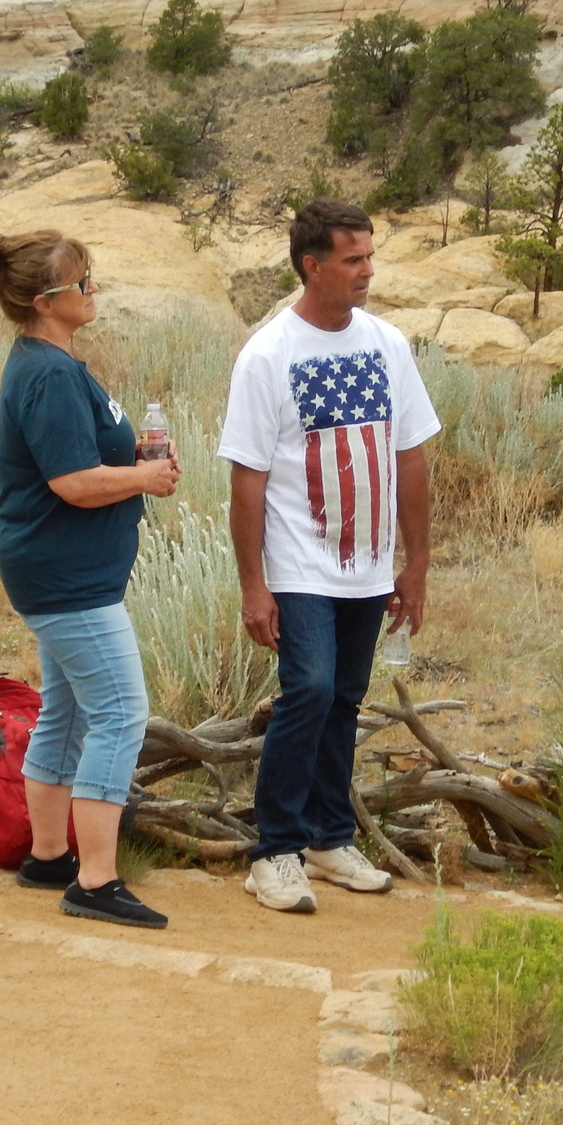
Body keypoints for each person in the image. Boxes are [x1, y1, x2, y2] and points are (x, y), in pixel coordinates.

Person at [219, 200, 441, 914]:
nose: (367, 272)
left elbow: (410, 457)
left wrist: (416, 563)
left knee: (345, 697)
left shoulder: (387, 345)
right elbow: (246, 480)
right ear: (313, 267)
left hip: (369, 563)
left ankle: (327, 835)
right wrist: (254, 585)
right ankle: (273, 849)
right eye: (352, 260)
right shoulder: (267, 355)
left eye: (370, 257)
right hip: (298, 562)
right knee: (308, 689)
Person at [0, 230, 179, 931]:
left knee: (67, 711)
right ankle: (95, 879)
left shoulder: (49, 362)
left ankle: (50, 855)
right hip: (67, 578)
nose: (94, 293)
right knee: (120, 713)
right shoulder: (50, 374)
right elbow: (73, 482)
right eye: (81, 285)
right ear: (43, 301)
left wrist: (137, 469)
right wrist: (144, 478)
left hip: (59, 570)